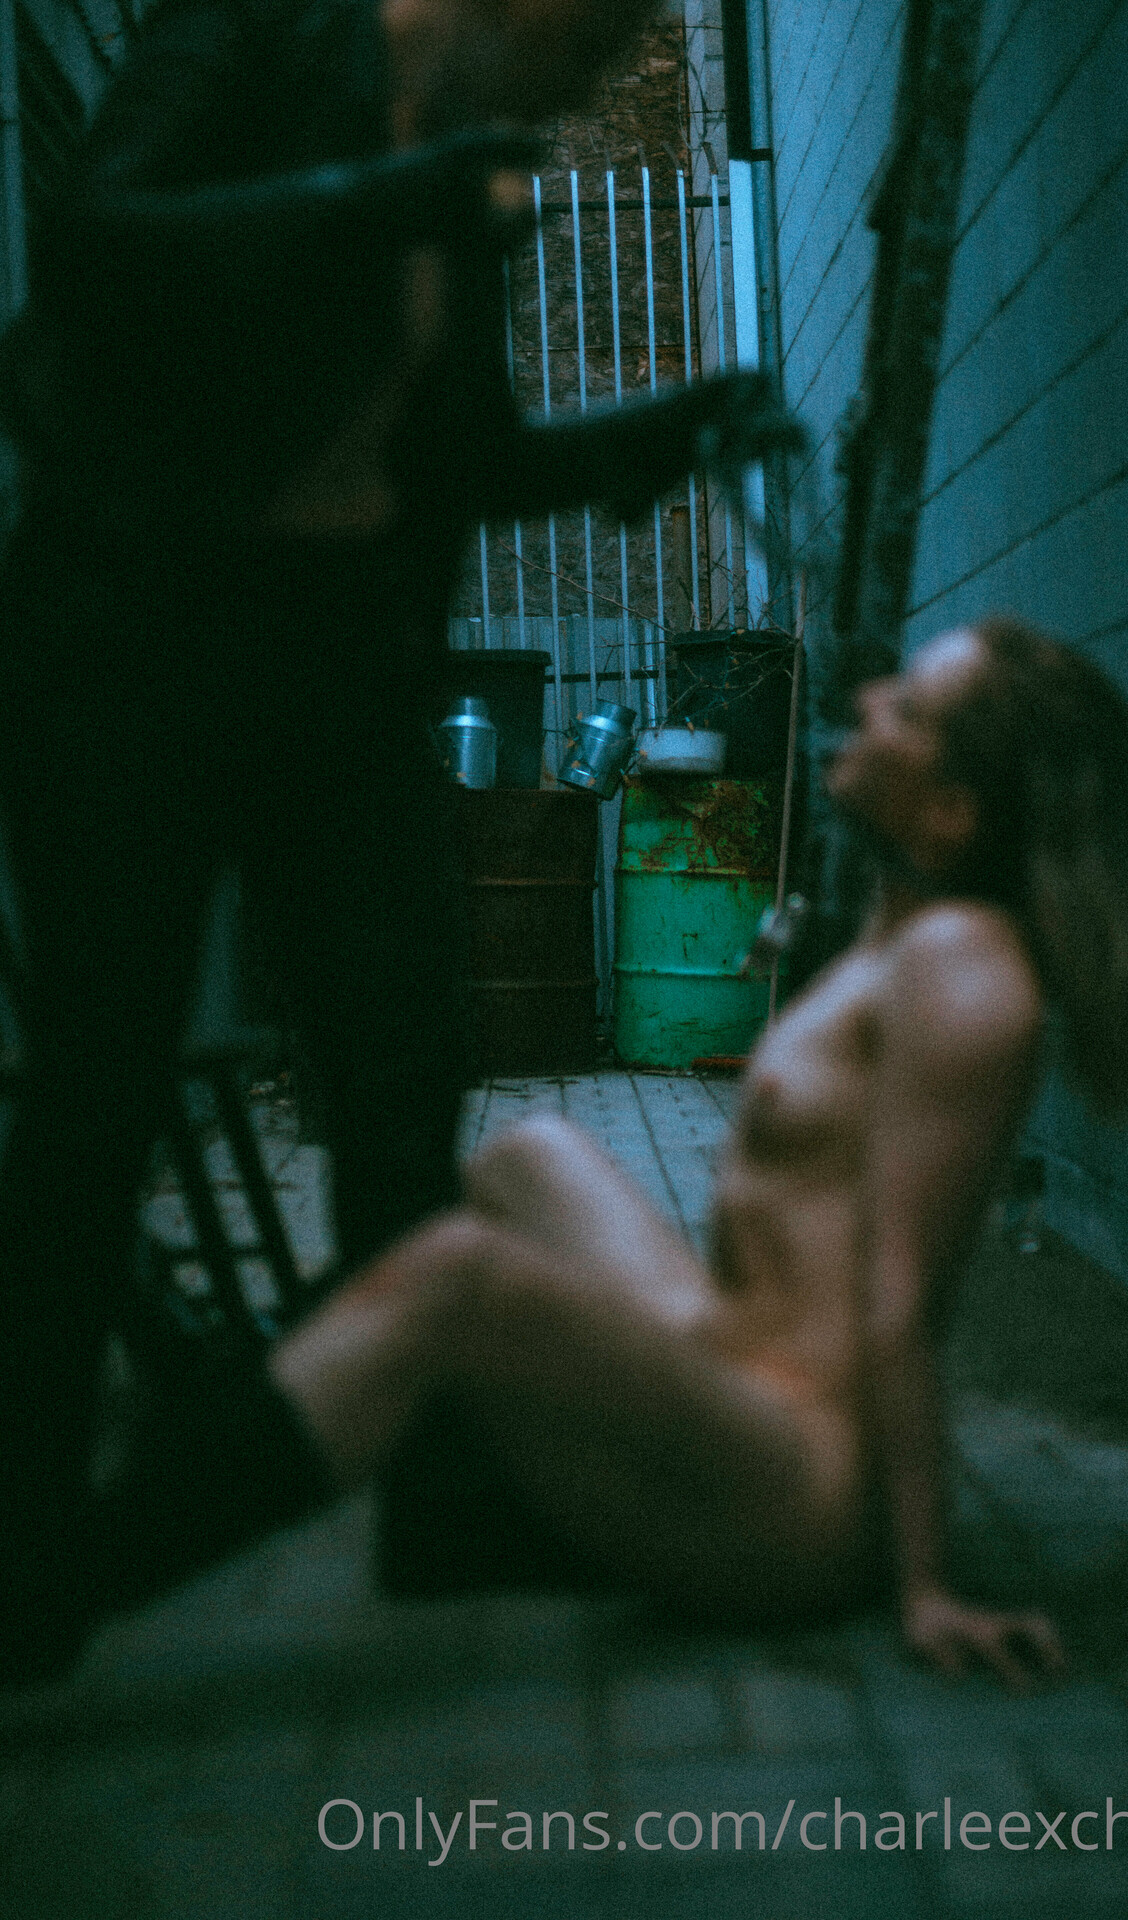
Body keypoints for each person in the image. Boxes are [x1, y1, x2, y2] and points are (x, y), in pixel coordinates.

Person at [0, 0, 800, 1679]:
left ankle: (433, 1497)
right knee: (98, 1087)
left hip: (337, 661)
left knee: (404, 1068)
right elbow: (92, 247)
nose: (577, 92)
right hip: (133, 642)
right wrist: (386, 201)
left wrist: (678, 422)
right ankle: (23, 1534)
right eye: (576, 54)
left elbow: (464, 463)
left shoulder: (463, 179)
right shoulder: (255, 40)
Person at [269, 615, 1128, 1683]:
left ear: (950, 811)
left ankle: (131, 1527)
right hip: (732, 1362)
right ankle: (449, 1476)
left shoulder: (964, 970)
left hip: (796, 1485)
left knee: (456, 1281)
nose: (867, 703)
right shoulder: (897, 922)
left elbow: (902, 1303)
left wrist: (924, 1587)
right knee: (529, 1153)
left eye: (905, 709)